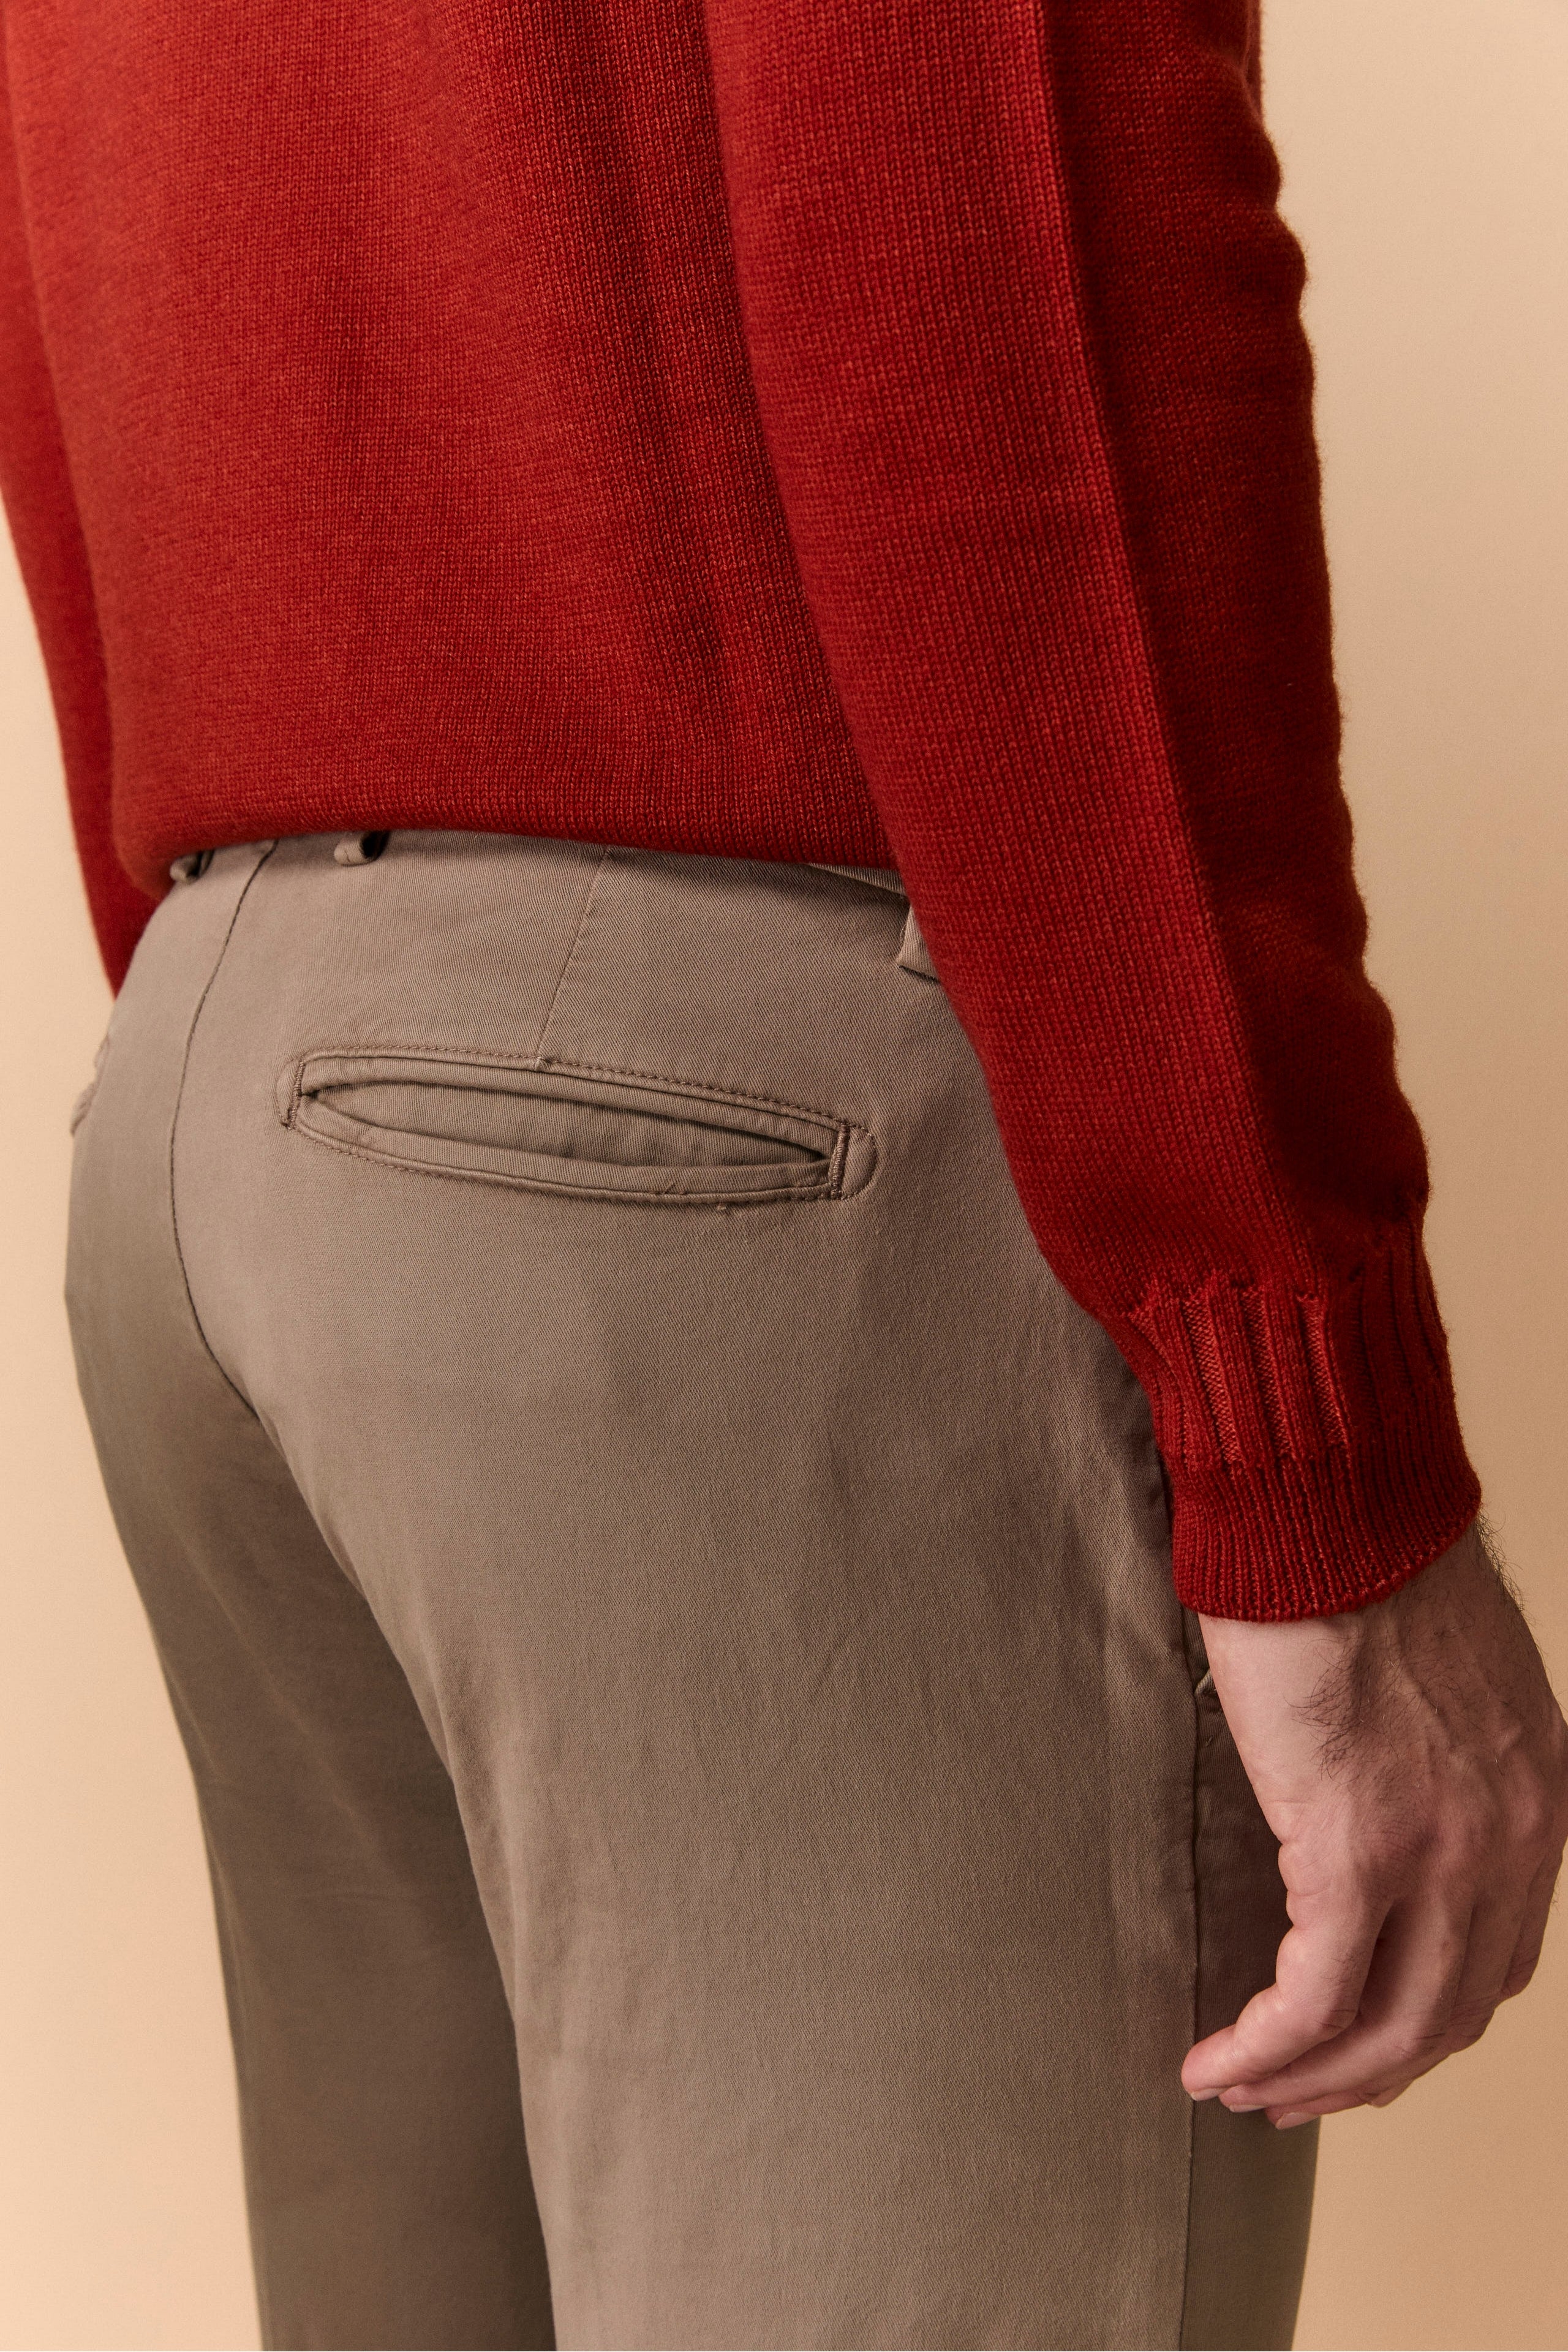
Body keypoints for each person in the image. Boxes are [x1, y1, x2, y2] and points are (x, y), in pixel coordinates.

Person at [2, 2, 1563, 2346]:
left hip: (231, 1092)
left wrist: (262, 1038)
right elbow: (1018, 259)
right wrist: (1304, 1425)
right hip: (738, 1155)